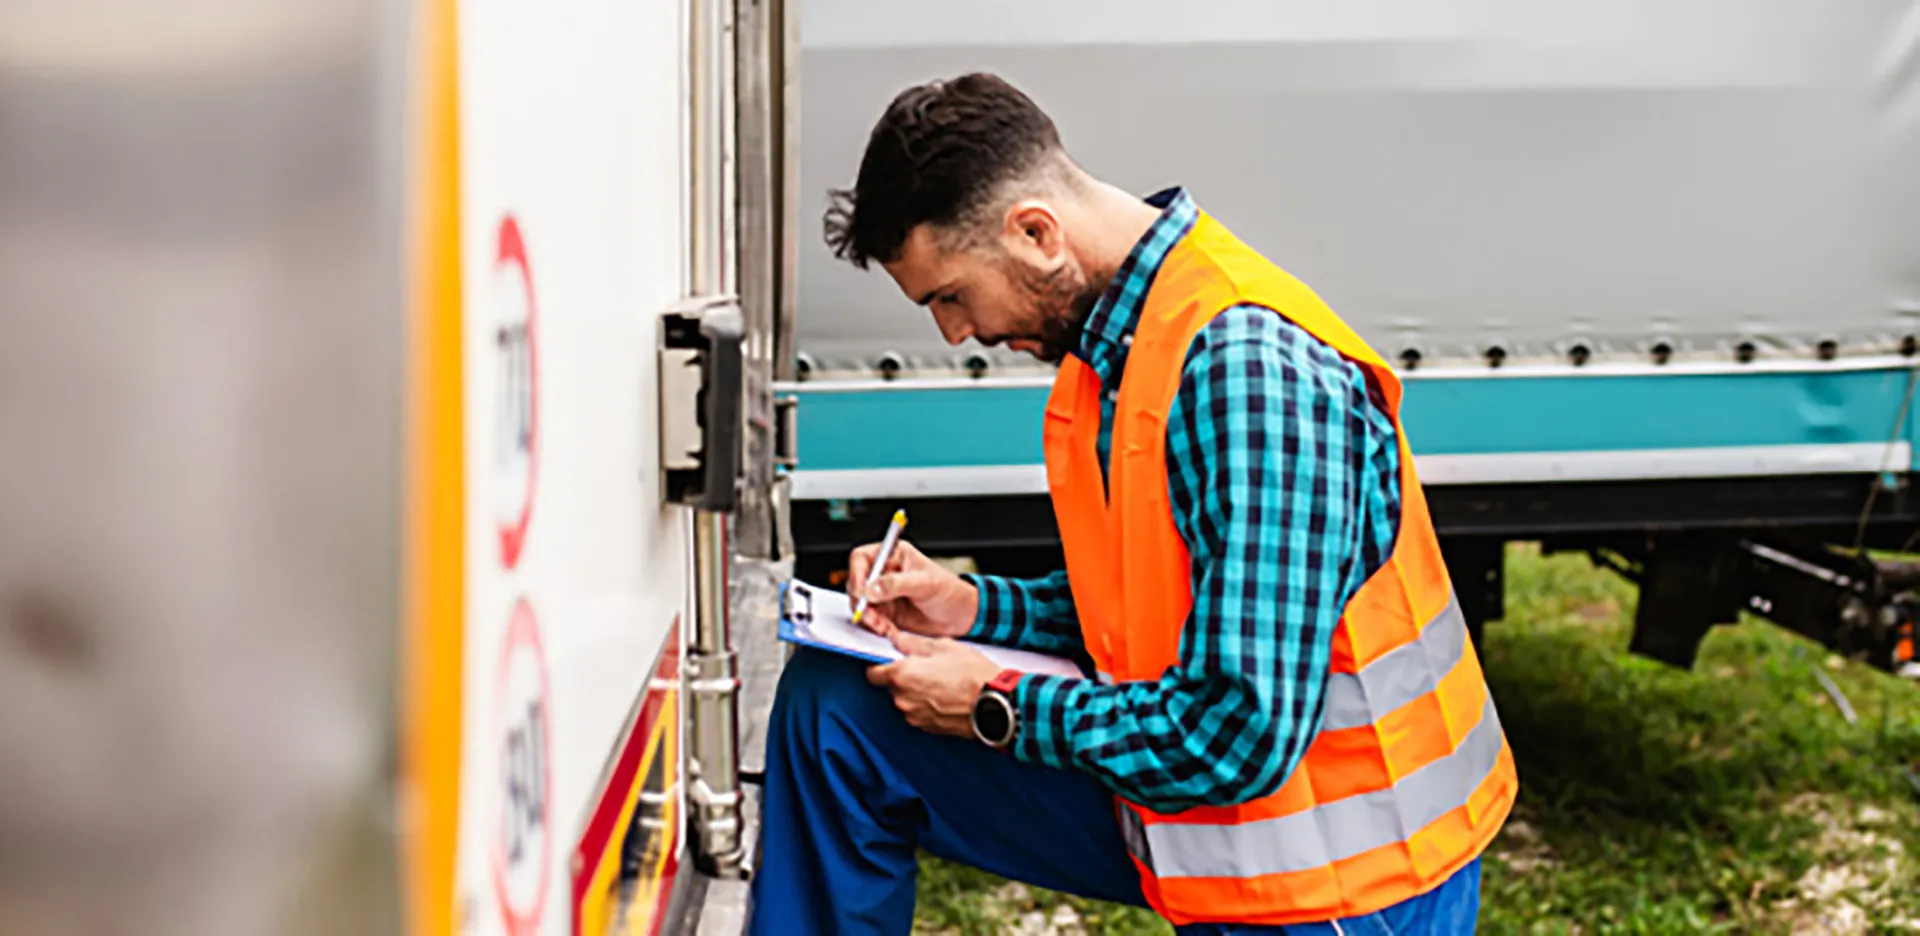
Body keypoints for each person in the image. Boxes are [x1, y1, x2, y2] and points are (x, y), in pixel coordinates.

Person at [746, 72, 1517, 935]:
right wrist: (969, 607)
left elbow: (1237, 734)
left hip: (1339, 879)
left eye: (952, 296)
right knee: (836, 708)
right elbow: (1151, 614)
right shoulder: (1115, 350)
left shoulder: (1248, 372)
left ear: (1036, 233)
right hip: (1217, 820)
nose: (955, 335)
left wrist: (994, 701)